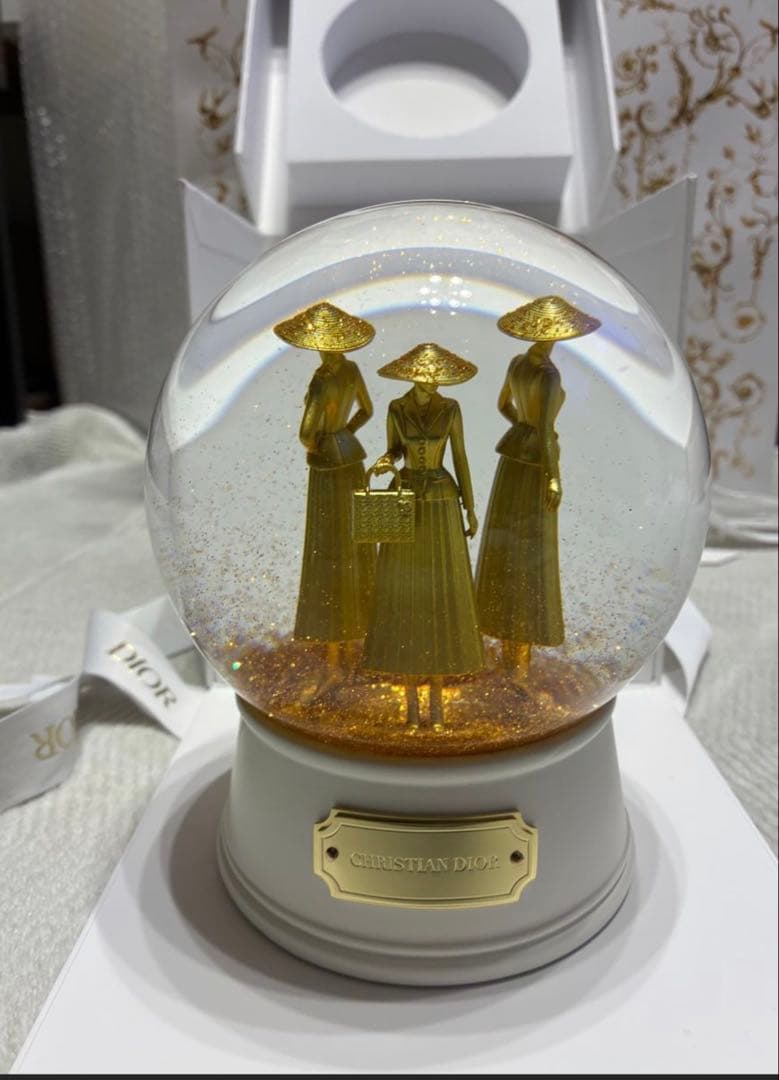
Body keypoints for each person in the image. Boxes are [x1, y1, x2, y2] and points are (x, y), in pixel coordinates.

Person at [475, 296, 600, 677]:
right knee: (531, 549)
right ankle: (518, 661)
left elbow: (504, 406)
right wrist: (554, 475)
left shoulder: (517, 363)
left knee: (507, 546)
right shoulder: (548, 376)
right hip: (535, 464)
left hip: (514, 455)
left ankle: (506, 648)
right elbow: (545, 430)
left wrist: (521, 427)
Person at [362, 342, 483, 730]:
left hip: (443, 500)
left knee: (442, 595)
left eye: (437, 377)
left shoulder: (451, 408)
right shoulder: (397, 408)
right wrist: (385, 461)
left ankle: (438, 708)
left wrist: (469, 505)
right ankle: (411, 710)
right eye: (428, 376)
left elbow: (460, 457)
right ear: (413, 377)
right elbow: (394, 451)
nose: (434, 382)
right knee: (404, 596)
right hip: (405, 497)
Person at [274, 301, 377, 670]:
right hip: (350, 455)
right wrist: (345, 433)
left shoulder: (322, 379)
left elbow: (306, 431)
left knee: (327, 547)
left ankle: (336, 653)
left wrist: (317, 442)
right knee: (356, 544)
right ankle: (361, 639)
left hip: (327, 464)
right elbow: (367, 410)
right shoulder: (352, 369)